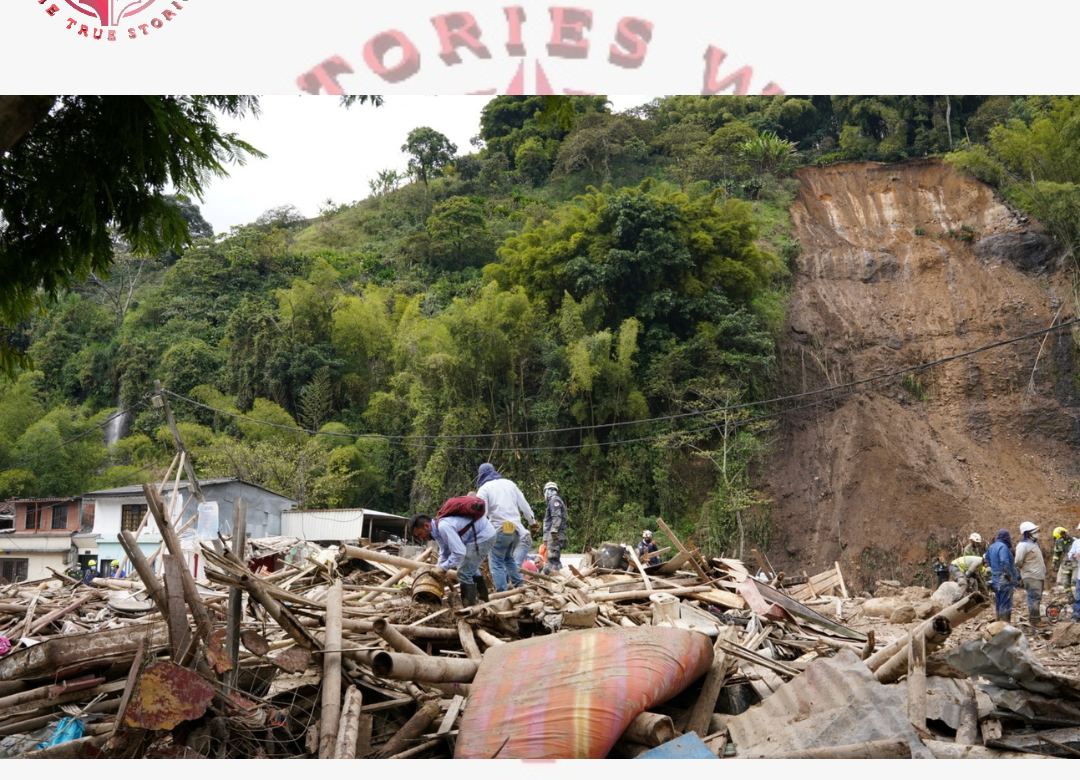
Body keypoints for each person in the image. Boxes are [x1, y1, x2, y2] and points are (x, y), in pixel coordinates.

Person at [406, 501, 496, 607]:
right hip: (478, 536)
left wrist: (443, 568)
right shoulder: (437, 532)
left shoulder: (443, 527)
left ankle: (470, 609)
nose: (421, 538)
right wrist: (437, 567)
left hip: (484, 535)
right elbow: (445, 552)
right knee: (470, 569)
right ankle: (483, 600)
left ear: (427, 525)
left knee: (463, 572)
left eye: (420, 534)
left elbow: (459, 552)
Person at [475, 463, 535, 593]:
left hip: (499, 529)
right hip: (515, 529)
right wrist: (532, 521)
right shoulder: (510, 484)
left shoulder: (484, 489)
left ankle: (502, 592)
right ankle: (519, 586)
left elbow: (481, 514)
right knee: (508, 558)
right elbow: (525, 506)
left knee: (496, 562)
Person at [1015, 521, 1046, 628]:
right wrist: (1027, 569)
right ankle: (1035, 621)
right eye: (1035, 532)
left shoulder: (1033, 544)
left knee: (1035, 598)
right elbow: (1018, 561)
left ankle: (1034, 619)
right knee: (1034, 598)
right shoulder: (1023, 545)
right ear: (1028, 533)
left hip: (1037, 575)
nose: (1037, 533)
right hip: (1031, 576)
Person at [986, 529, 1018, 623]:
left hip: (995, 578)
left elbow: (987, 560)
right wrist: (1009, 575)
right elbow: (1004, 561)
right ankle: (1004, 625)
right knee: (1006, 602)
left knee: (999, 601)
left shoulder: (991, 547)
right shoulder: (1003, 547)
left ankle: (998, 622)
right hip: (1004, 578)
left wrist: (995, 569)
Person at [541, 481, 568, 576]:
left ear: (548, 491)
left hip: (555, 536)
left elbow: (557, 517)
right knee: (552, 559)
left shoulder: (554, 501)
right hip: (554, 535)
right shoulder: (556, 501)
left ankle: (558, 579)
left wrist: (553, 532)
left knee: (553, 561)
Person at [1053, 526, 1076, 601]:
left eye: (1060, 537)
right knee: (1065, 582)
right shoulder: (1058, 542)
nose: (1060, 539)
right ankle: (1070, 598)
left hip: (1075, 564)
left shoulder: (1074, 541)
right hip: (1066, 564)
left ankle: (1078, 598)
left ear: (1064, 534)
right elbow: (1057, 552)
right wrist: (1054, 562)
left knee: (1075, 580)